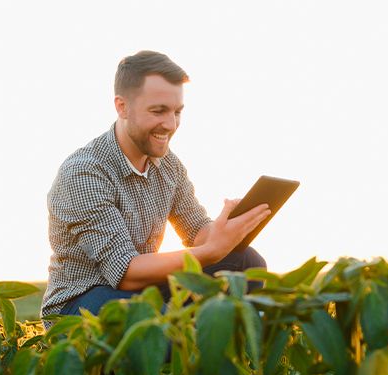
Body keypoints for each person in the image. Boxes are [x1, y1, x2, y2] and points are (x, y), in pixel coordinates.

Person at [40, 50, 271, 326]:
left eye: (177, 112)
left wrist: (229, 228)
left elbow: (197, 231)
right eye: (158, 111)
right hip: (81, 301)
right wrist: (211, 251)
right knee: (150, 319)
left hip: (141, 289)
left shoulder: (168, 164)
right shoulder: (84, 172)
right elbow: (125, 271)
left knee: (245, 262)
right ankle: (181, 336)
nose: (171, 125)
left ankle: (222, 341)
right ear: (122, 107)